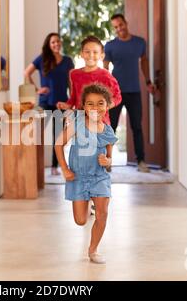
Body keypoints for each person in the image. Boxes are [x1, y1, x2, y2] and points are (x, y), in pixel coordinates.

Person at [55, 84, 118, 264]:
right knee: (81, 220)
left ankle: (93, 249)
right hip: (78, 177)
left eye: (100, 104)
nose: (95, 108)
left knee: (102, 214)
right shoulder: (77, 125)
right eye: (90, 104)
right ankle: (88, 201)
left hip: (99, 178)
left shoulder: (108, 131)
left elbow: (109, 159)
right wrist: (65, 169)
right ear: (83, 106)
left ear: (107, 106)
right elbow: (58, 145)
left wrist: (107, 162)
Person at [104, 13, 157, 173]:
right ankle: (107, 162)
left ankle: (141, 161)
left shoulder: (139, 43)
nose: (119, 28)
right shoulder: (110, 46)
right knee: (110, 128)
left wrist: (148, 81)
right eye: (116, 27)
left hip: (134, 91)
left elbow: (144, 62)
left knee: (137, 127)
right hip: (115, 93)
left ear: (126, 23)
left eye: (121, 25)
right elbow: (105, 68)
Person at [24, 33, 74, 175]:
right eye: (53, 42)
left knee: (58, 136)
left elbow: (71, 82)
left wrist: (71, 101)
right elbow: (26, 73)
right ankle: (36, 166)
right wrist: (37, 90)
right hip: (45, 103)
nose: (56, 44)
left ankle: (54, 166)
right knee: (39, 135)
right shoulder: (42, 59)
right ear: (49, 44)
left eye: (58, 41)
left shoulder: (67, 61)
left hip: (61, 103)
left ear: (61, 43)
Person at [57, 36, 122, 125]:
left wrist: (103, 107)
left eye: (95, 52)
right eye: (87, 52)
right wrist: (67, 105)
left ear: (101, 56)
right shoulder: (74, 74)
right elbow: (74, 97)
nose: (91, 55)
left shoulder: (106, 75)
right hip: (80, 122)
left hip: (101, 124)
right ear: (82, 54)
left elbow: (118, 97)